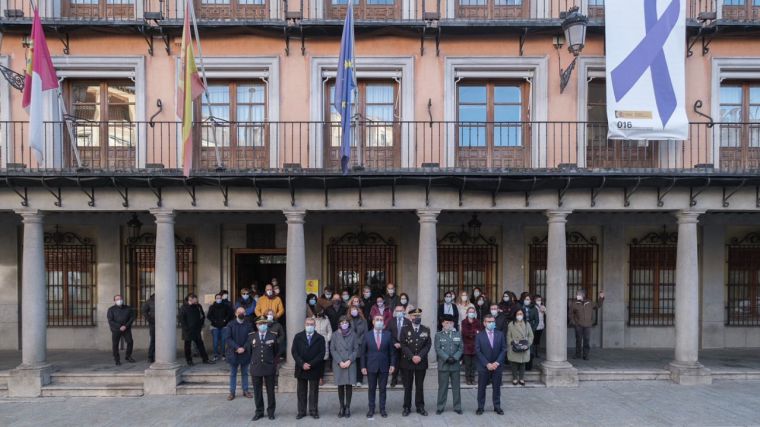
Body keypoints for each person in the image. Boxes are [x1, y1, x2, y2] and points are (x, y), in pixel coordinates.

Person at [361, 315, 396, 419]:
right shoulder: (367, 335)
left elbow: (392, 352)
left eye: (381, 320)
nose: (379, 322)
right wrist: (363, 366)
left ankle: (382, 409)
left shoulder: (388, 335)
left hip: (384, 366)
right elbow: (363, 353)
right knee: (371, 389)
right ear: (373, 322)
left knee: (383, 389)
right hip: (371, 366)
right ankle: (371, 409)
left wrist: (392, 364)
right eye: (377, 320)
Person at [291, 317, 326, 419]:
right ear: (304, 325)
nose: (309, 326)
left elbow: (321, 353)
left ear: (315, 326)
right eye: (307, 324)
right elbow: (294, 352)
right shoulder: (298, 336)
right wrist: (302, 364)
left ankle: (313, 410)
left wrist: (311, 364)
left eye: (311, 324)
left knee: (314, 391)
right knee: (301, 391)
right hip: (301, 368)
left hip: (314, 368)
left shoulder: (320, 338)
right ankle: (301, 411)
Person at [399, 308, 431, 417]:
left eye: (418, 316)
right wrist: (412, 356)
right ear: (410, 317)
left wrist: (419, 356)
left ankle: (420, 406)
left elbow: (428, 345)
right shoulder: (404, 329)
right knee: (408, 386)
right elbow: (403, 345)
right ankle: (406, 407)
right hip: (408, 362)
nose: (417, 318)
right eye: (414, 316)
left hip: (421, 362)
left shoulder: (426, 330)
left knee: (419, 385)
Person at [248, 315, 279, 421]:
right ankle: (259, 411)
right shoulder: (251, 336)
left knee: (270, 391)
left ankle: (271, 412)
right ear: (256, 325)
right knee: (257, 391)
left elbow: (276, 352)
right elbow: (249, 352)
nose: (262, 325)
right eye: (260, 324)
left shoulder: (273, 336)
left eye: (264, 324)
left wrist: (273, 364)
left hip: (269, 367)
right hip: (256, 367)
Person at [475, 314, 506, 416]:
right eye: (489, 322)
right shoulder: (479, 336)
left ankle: (497, 406)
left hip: (497, 366)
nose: (491, 323)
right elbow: (478, 351)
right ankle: (480, 407)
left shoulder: (500, 334)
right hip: (484, 366)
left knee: (496, 388)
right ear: (484, 323)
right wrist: (487, 364)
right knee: (481, 388)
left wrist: (497, 362)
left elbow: (504, 349)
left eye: (492, 321)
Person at [331, 315, 359, 418]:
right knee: (340, 386)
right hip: (339, 364)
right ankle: (341, 407)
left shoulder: (354, 334)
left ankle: (348, 407)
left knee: (349, 386)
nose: (344, 324)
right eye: (342, 323)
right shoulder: (334, 335)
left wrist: (349, 360)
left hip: (350, 363)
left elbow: (356, 349)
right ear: (339, 324)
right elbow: (332, 349)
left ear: (349, 324)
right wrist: (340, 361)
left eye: (346, 322)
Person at [435, 314, 463, 415]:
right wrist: (447, 358)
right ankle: (440, 407)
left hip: (455, 365)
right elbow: (437, 349)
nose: (448, 324)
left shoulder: (458, 334)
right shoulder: (438, 335)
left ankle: (457, 406)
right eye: (446, 322)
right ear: (442, 323)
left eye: (450, 323)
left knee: (456, 387)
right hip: (444, 365)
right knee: (442, 387)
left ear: (453, 323)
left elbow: (461, 348)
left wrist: (455, 358)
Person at [224, 307, 254, 400]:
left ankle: (245, 390)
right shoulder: (230, 324)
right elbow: (228, 338)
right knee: (233, 373)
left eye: (243, 312)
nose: (241, 313)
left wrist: (244, 348)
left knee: (245, 373)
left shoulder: (248, 325)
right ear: (236, 314)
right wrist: (237, 347)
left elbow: (251, 338)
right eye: (239, 312)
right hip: (233, 352)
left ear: (245, 314)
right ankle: (232, 392)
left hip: (245, 352)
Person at [179, 294, 214, 366]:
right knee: (187, 346)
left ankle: (205, 359)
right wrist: (186, 328)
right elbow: (181, 319)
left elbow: (202, 316)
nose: (197, 301)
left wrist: (200, 325)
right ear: (190, 299)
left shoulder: (198, 306)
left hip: (197, 329)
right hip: (187, 331)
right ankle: (189, 360)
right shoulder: (183, 307)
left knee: (201, 345)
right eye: (195, 299)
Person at [569, 290, 605, 360]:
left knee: (586, 340)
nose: (577, 295)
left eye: (578, 294)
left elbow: (598, 305)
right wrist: (573, 322)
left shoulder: (589, 302)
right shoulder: (574, 303)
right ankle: (578, 354)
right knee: (578, 340)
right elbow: (570, 314)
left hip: (587, 325)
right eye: (577, 294)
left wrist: (601, 297)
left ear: (583, 295)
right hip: (578, 325)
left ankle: (586, 355)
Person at [507, 309, 534, 386]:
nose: (519, 315)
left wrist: (528, 343)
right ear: (515, 315)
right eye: (518, 314)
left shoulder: (527, 324)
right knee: (514, 363)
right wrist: (512, 342)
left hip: (524, 346)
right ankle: (515, 378)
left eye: (521, 314)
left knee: (523, 363)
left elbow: (531, 335)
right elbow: (508, 335)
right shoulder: (511, 324)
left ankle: (521, 378)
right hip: (514, 346)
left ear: (523, 315)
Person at [107, 294, 135, 366]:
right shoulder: (111, 309)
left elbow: (132, 317)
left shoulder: (128, 308)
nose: (119, 300)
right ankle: (117, 359)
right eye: (117, 299)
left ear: (122, 299)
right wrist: (120, 326)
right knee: (115, 345)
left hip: (126, 329)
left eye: (120, 299)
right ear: (114, 301)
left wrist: (125, 326)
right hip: (116, 329)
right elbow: (110, 320)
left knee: (130, 342)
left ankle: (128, 356)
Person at [388, 305, 411, 388]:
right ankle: (394, 381)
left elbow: (409, 334)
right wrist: (394, 343)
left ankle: (405, 381)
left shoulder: (408, 321)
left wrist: (402, 344)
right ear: (395, 311)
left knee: (404, 364)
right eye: (397, 311)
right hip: (394, 346)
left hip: (404, 346)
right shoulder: (391, 321)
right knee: (395, 363)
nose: (399, 312)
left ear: (404, 311)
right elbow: (389, 334)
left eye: (400, 311)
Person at [208, 292, 234, 361]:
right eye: (217, 298)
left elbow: (230, 314)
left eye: (220, 298)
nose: (218, 299)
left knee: (223, 341)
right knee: (215, 341)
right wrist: (214, 321)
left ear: (221, 298)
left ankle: (223, 354)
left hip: (224, 326)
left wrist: (225, 320)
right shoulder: (212, 306)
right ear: (215, 299)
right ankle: (215, 355)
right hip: (215, 326)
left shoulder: (226, 306)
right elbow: (209, 316)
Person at [460, 306, 482, 385]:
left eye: (473, 312)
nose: (471, 313)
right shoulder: (464, 322)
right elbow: (465, 333)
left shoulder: (477, 322)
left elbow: (479, 333)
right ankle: (468, 379)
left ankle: (473, 378)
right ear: (467, 313)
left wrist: (472, 333)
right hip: (467, 346)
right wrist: (474, 332)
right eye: (470, 312)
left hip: (475, 346)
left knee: (474, 365)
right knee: (468, 364)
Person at [265, 309, 286, 387]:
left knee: (274, 366)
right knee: (265, 365)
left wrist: (276, 341)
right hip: (265, 348)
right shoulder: (263, 324)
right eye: (268, 314)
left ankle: (272, 381)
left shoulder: (278, 325)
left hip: (275, 349)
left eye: (271, 314)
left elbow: (282, 335)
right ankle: (265, 381)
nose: (269, 316)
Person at [348, 302, 368, 386]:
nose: (354, 311)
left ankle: (359, 380)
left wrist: (359, 341)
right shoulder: (347, 320)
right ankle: (352, 380)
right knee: (352, 362)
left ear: (358, 310)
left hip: (360, 344)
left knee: (360, 362)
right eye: (352, 310)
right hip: (350, 344)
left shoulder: (363, 320)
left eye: (355, 309)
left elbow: (365, 332)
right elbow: (346, 331)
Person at [520, 294, 539, 370]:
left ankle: (528, 365)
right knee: (521, 345)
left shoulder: (534, 309)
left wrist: (533, 329)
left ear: (531, 300)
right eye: (525, 299)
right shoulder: (520, 307)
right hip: (521, 329)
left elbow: (537, 321)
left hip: (530, 328)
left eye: (528, 299)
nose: (526, 301)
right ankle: (521, 364)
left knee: (530, 346)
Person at [141, 293, 156, 363]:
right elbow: (144, 311)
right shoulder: (149, 301)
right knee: (153, 340)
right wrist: (150, 319)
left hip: (164, 324)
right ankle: (150, 357)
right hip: (153, 324)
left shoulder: (164, 300)